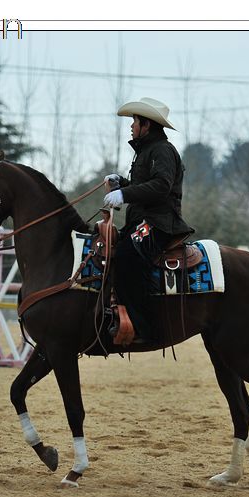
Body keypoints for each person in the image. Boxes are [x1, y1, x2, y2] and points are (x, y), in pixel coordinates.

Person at [102, 97, 194, 343]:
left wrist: (124, 193)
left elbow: (161, 186)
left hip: (160, 222)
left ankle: (143, 329)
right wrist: (123, 183)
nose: (131, 125)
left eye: (134, 121)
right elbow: (145, 187)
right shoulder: (147, 151)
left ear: (147, 125)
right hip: (143, 220)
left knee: (126, 256)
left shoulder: (162, 150)